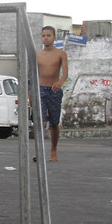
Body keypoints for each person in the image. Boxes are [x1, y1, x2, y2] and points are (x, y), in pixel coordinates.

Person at [35, 26, 68, 162]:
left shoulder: (61, 54)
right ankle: (39, 152)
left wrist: (60, 82)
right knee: (40, 122)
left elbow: (65, 73)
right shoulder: (37, 55)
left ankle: (53, 151)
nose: (46, 38)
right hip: (40, 89)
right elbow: (34, 74)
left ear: (54, 37)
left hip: (54, 90)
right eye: (43, 35)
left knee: (54, 123)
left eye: (48, 35)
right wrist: (32, 92)